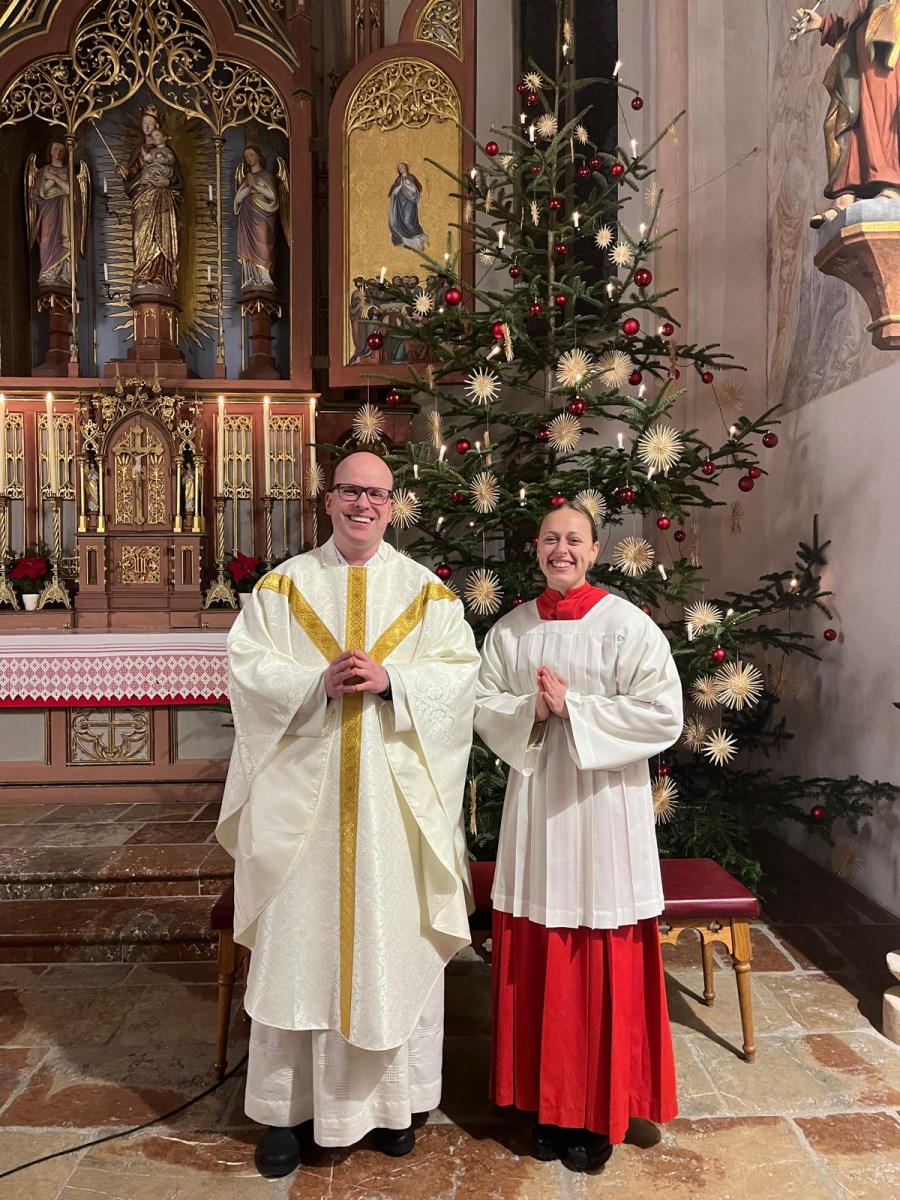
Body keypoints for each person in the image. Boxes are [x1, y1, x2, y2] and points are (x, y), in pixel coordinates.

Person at [217, 451, 479, 1177]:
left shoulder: (429, 596)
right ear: (327, 501)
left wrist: (396, 680)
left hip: (393, 814)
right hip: (303, 809)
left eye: (377, 494)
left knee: (388, 948)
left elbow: (462, 679)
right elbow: (246, 669)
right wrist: (312, 683)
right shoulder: (282, 589)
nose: (363, 504)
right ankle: (284, 1112)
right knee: (300, 950)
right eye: (351, 492)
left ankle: (394, 1106)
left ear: (393, 506)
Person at [474, 502, 683, 1173]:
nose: (560, 550)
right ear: (534, 548)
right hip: (538, 810)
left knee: (599, 946)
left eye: (574, 540)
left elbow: (664, 714)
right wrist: (530, 708)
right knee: (540, 940)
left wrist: (578, 709)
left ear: (595, 551)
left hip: (603, 812)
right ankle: (544, 1101)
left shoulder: (627, 626)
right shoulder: (511, 631)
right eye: (549, 540)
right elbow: (481, 707)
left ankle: (597, 1109)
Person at [794, 3, 900, 226]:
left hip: (885, 64)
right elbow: (854, 33)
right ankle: (844, 197)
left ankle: (889, 186)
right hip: (857, 65)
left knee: (881, 121)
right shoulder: (863, 17)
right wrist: (824, 25)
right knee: (844, 125)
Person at [123, 105, 182, 299]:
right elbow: (132, 173)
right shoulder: (140, 152)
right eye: (145, 123)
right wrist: (126, 173)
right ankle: (143, 275)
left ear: (157, 127)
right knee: (142, 236)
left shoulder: (168, 153)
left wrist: (166, 182)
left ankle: (162, 277)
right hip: (143, 199)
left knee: (162, 234)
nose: (148, 127)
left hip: (163, 200)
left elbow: (178, 179)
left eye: (151, 124)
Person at [234, 145, 282, 295]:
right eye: (247, 156)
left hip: (263, 216)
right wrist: (248, 188)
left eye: (252, 155)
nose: (249, 158)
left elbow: (273, 196)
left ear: (259, 156)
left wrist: (255, 186)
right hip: (248, 215)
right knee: (248, 245)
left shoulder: (267, 176)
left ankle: (265, 277)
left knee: (263, 244)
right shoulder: (244, 179)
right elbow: (237, 198)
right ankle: (250, 278)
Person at [388, 162, 428, 251]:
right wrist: (401, 185)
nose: (401, 168)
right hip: (400, 206)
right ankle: (413, 242)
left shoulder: (410, 178)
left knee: (407, 221)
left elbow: (414, 190)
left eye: (402, 166)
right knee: (400, 222)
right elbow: (394, 193)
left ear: (406, 167)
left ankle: (420, 236)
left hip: (409, 204)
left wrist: (406, 185)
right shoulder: (398, 180)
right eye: (399, 167)